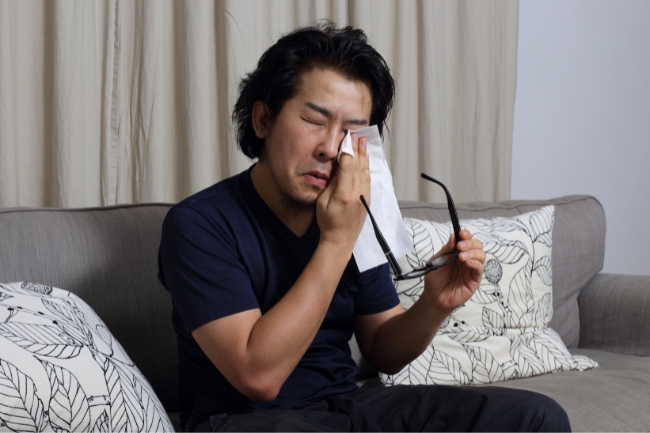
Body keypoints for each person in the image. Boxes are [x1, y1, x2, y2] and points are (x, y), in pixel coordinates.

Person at [158, 22, 571, 432]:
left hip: (346, 406)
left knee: (537, 417)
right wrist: (337, 241)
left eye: (351, 133)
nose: (330, 148)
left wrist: (435, 304)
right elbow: (257, 377)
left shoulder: (355, 211)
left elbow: (382, 350)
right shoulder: (199, 224)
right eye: (315, 120)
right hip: (244, 420)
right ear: (263, 119)